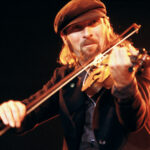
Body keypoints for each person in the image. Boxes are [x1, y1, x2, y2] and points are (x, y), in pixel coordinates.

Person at [0, 0, 150, 150]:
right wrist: (10, 111)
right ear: (65, 37)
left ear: (106, 26)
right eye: (77, 28)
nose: (87, 33)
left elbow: (135, 121)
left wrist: (125, 85)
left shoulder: (134, 64)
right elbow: (30, 112)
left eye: (93, 23)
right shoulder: (64, 76)